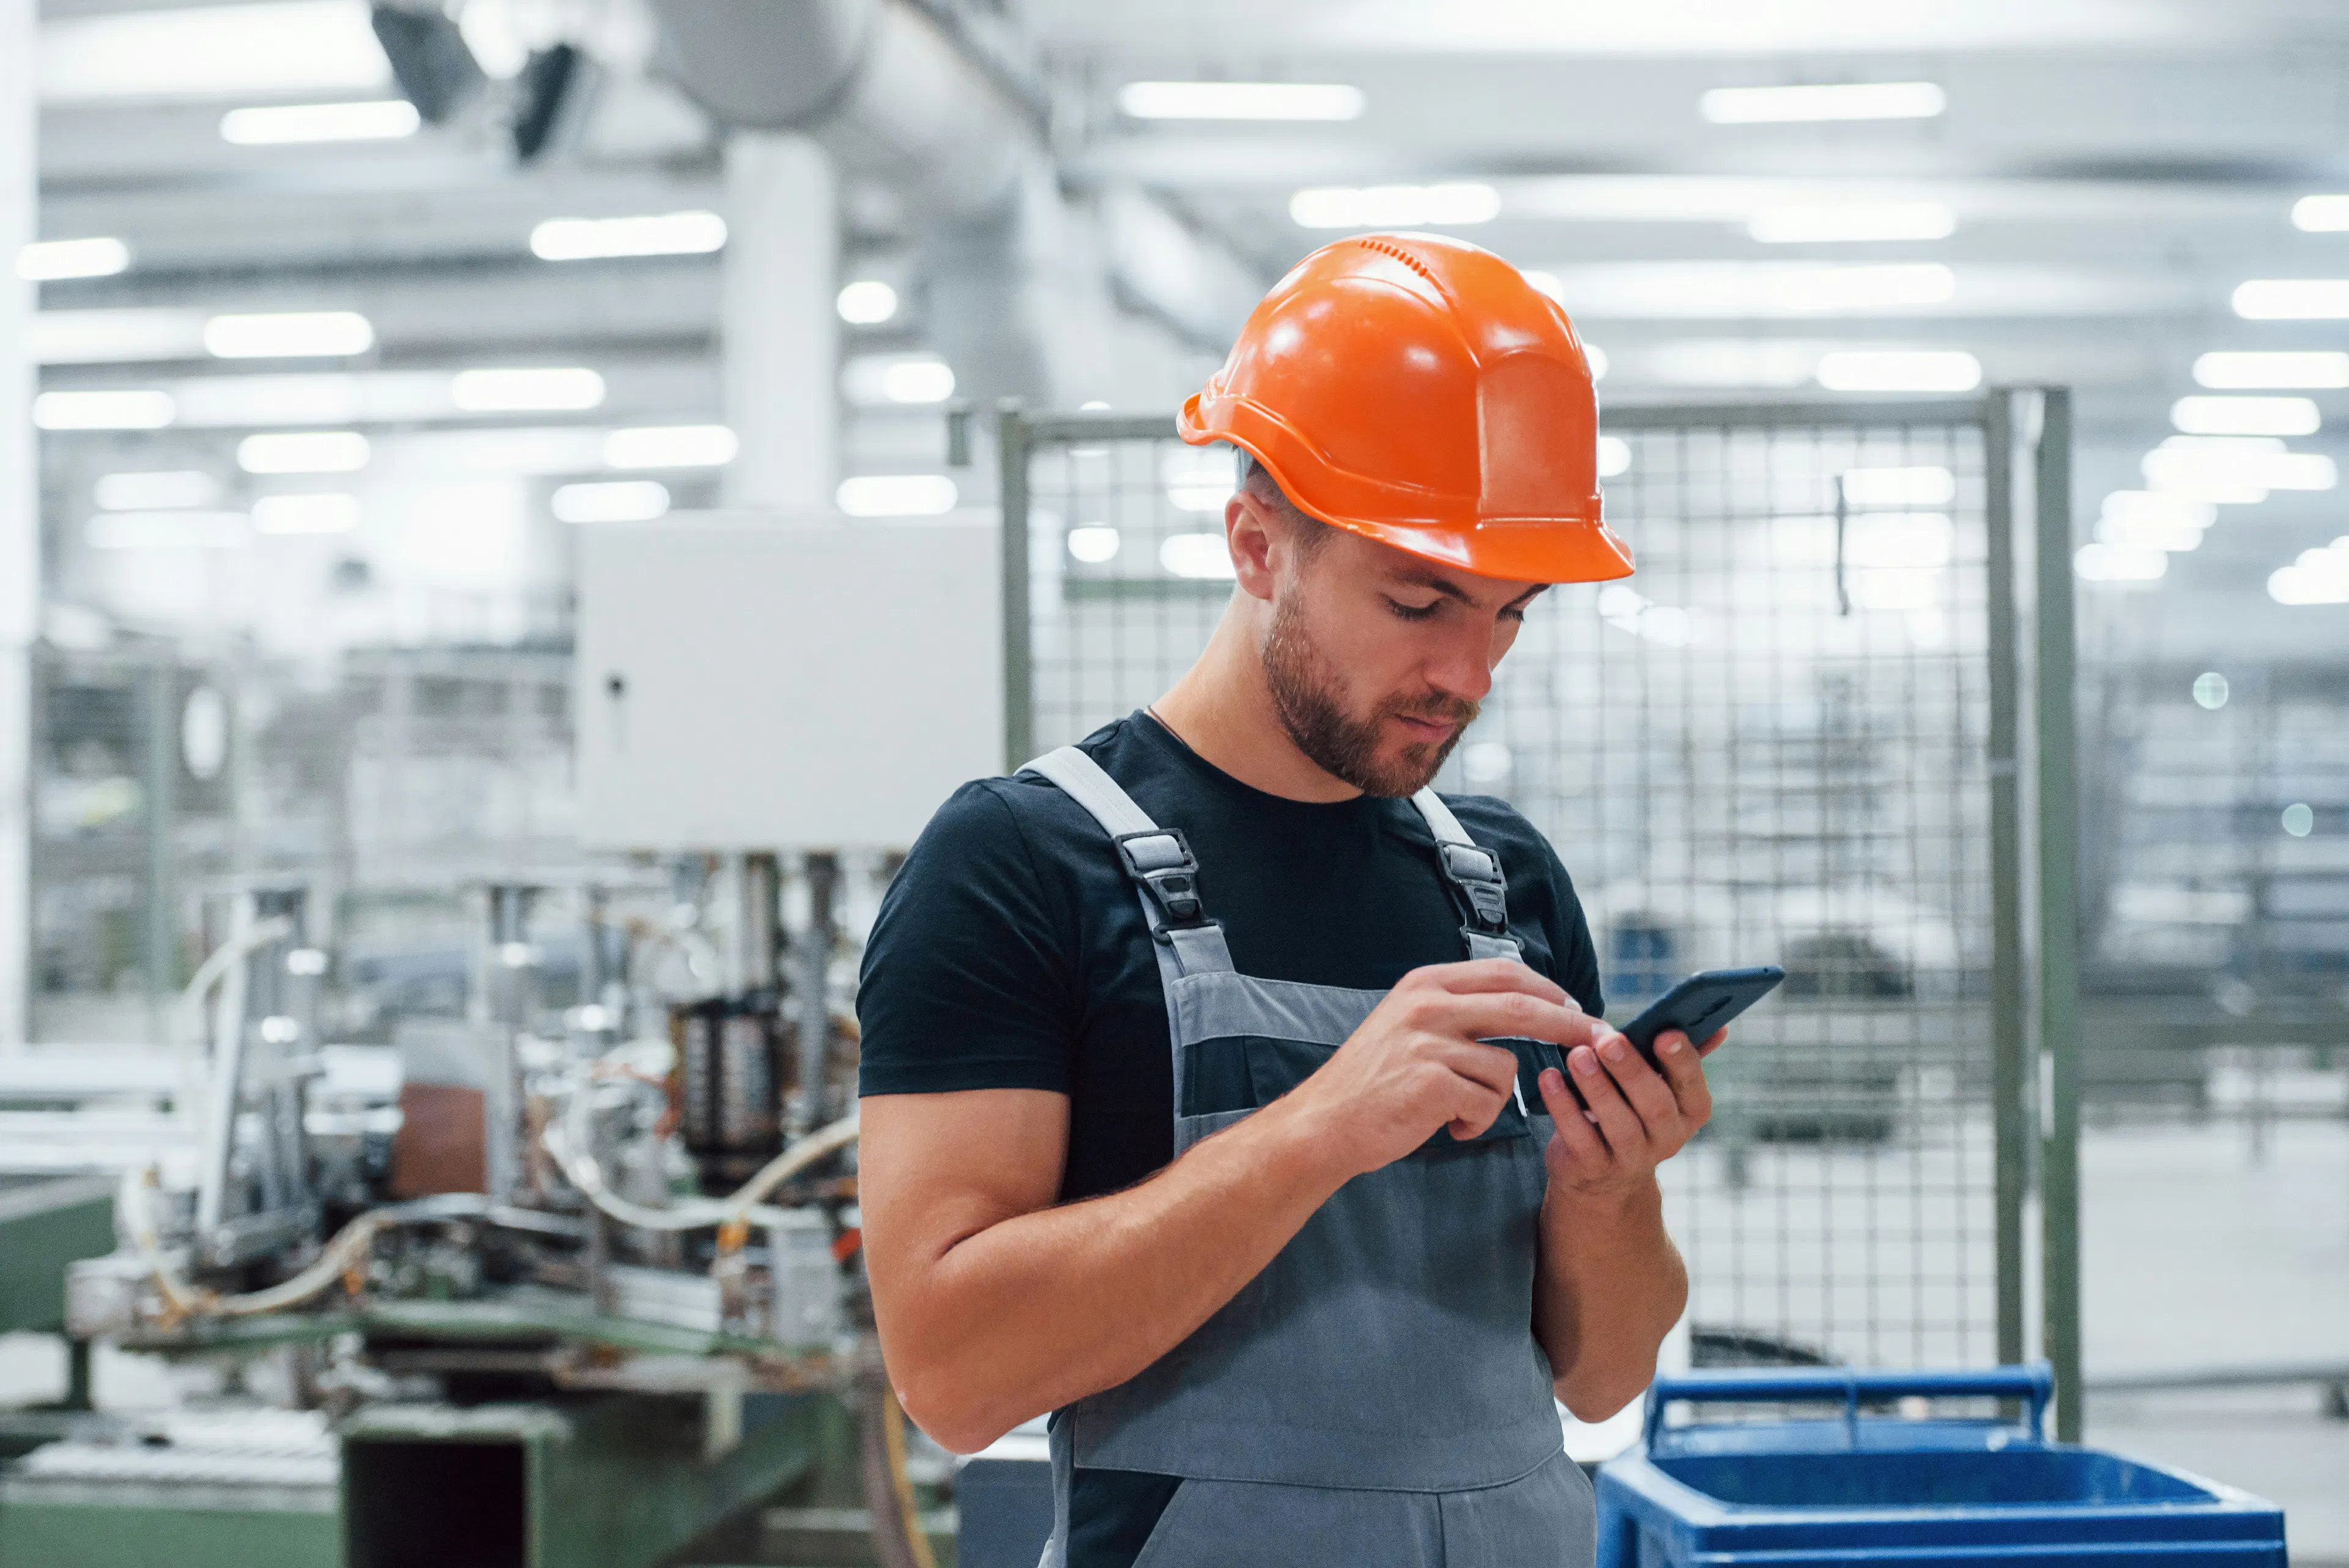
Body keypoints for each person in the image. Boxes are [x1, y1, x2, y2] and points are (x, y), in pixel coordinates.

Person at [855, 233, 1722, 1568]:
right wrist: (1318, 1127)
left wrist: (1613, 1195)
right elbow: (953, 1378)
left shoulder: (1504, 886)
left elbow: (1600, 1378)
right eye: (1421, 599)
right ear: (1258, 545)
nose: (1469, 671)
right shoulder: (1019, 866)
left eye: (1509, 615)